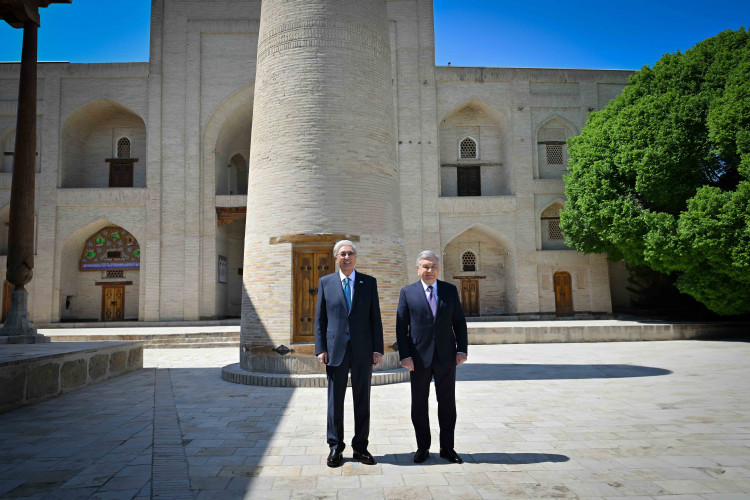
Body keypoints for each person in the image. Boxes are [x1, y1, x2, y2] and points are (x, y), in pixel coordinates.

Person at [315, 240, 383, 467]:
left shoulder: (368, 282)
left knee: (362, 400)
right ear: (336, 258)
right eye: (342, 254)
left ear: (355, 257)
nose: (347, 257)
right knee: (335, 401)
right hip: (336, 351)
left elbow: (375, 318)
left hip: (363, 350)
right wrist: (321, 348)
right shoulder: (326, 283)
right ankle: (335, 447)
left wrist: (377, 348)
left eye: (350, 253)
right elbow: (320, 319)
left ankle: (361, 447)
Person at [396, 250, 468, 464]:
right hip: (418, 358)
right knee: (419, 404)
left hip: (446, 356)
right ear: (418, 269)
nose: (430, 270)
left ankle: (447, 448)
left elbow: (459, 322)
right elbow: (401, 327)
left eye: (433, 266)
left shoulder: (449, 290)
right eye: (425, 266)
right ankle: (422, 447)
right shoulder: (407, 292)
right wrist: (405, 355)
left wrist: (462, 349)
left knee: (447, 404)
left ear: (438, 268)